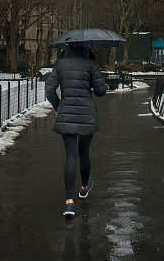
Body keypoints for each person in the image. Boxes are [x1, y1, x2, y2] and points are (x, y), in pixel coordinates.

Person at [45, 41, 107, 217]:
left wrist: (60, 107)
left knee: (70, 156)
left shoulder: (60, 64)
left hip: (67, 114)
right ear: (85, 48)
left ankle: (69, 203)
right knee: (84, 153)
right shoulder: (91, 64)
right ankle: (84, 187)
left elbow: (50, 90)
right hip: (87, 115)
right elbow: (101, 91)